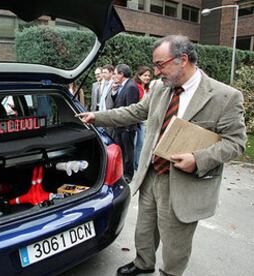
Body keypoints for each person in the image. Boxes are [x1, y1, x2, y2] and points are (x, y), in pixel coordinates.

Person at [76, 35, 246, 276]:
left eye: (160, 65)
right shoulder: (159, 89)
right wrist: (97, 117)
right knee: (144, 228)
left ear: (182, 60)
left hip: (185, 181)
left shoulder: (224, 97)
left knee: (176, 240)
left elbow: (236, 142)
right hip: (152, 174)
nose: (155, 73)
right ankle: (143, 263)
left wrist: (198, 159)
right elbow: (135, 112)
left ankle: (170, 272)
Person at [110, 64, 140, 182]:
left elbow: (131, 109)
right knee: (121, 151)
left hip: (127, 128)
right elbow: (117, 103)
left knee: (128, 153)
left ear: (122, 74)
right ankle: (121, 173)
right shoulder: (122, 86)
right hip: (119, 126)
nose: (114, 76)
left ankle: (128, 175)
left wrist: (128, 128)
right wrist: (113, 91)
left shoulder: (131, 86)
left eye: (116, 73)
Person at [133, 66, 153, 170]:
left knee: (141, 144)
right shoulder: (136, 87)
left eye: (149, 76)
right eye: (145, 75)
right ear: (139, 75)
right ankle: (135, 165)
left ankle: (138, 164)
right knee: (136, 144)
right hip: (137, 120)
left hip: (145, 121)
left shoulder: (148, 88)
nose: (147, 77)